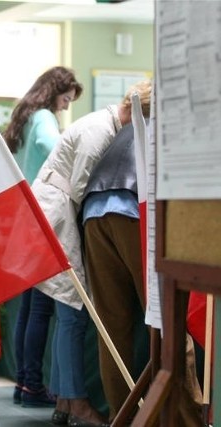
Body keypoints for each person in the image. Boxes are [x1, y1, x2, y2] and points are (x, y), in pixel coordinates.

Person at [31, 80, 153, 427]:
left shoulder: (106, 126)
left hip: (86, 215)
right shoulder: (102, 130)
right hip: (72, 212)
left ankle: (72, 400)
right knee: (73, 313)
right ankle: (77, 401)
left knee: (79, 316)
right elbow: (82, 185)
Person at [82, 124, 203, 425]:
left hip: (94, 211)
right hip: (137, 210)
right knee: (165, 320)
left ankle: (120, 416)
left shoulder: (135, 125)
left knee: (112, 328)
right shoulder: (189, 127)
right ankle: (188, 421)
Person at [2, 66, 83, 408]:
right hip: (44, 217)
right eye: (65, 99)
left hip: (24, 217)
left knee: (28, 310)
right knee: (40, 311)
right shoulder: (45, 118)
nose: (65, 107)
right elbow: (54, 147)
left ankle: (24, 383)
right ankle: (35, 386)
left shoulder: (23, 115)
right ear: (54, 93)